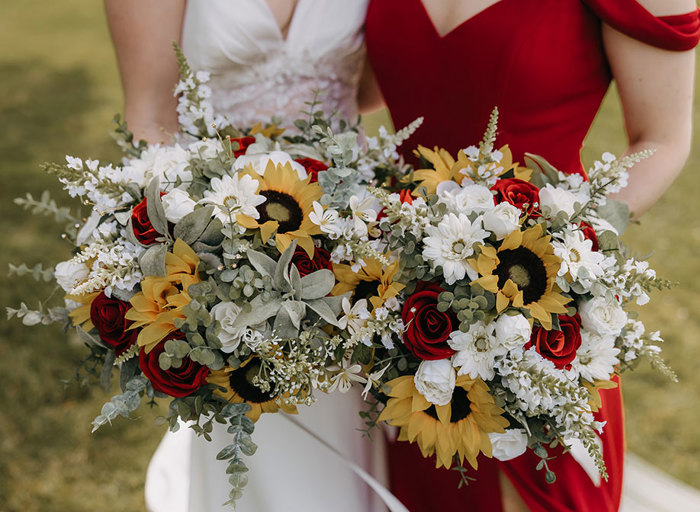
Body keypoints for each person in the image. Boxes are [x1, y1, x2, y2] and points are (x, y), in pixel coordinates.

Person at [362, 0, 699, 511]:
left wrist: (558, 246)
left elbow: (663, 140)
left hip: (536, 312)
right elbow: (359, 82)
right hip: (403, 308)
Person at [104, 1, 388, 511]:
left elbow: (373, 85)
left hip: (349, 250)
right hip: (220, 251)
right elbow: (148, 116)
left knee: (351, 435)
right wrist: (197, 249)